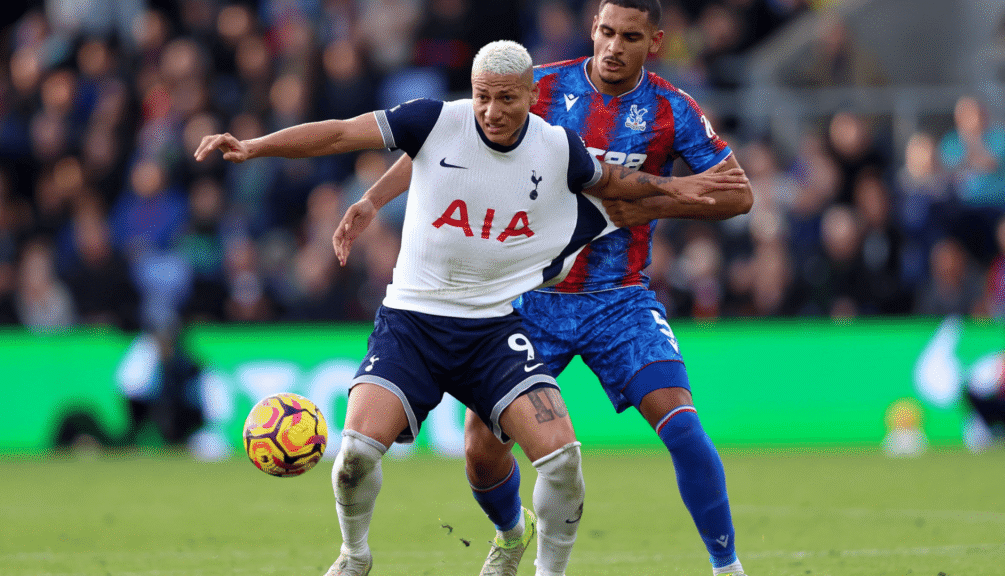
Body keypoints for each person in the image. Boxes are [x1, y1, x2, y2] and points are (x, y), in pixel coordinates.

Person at [197, 40, 747, 576]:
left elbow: (614, 183)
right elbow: (342, 133)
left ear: (531, 96)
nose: (491, 111)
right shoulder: (435, 120)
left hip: (492, 331)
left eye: (506, 98)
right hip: (410, 325)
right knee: (356, 455)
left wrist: (680, 189)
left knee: (563, 460)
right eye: (483, 96)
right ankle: (356, 555)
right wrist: (255, 147)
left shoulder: (558, 149)